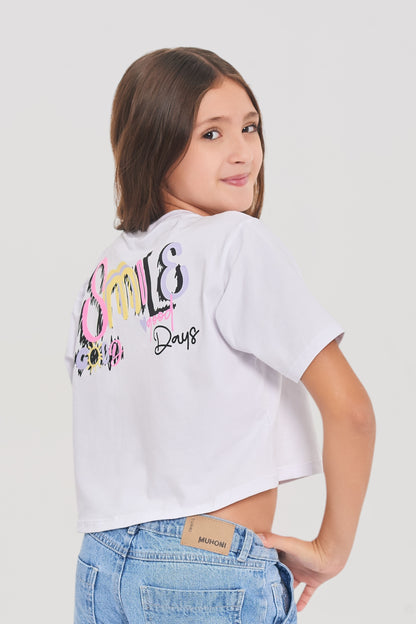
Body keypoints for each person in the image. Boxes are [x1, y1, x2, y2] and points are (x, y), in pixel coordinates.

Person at [65, 47, 375, 623]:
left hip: (101, 568)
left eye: (250, 127)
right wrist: (331, 551)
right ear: (155, 145)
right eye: (211, 133)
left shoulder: (104, 277)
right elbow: (352, 411)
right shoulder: (236, 242)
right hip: (205, 567)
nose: (242, 152)